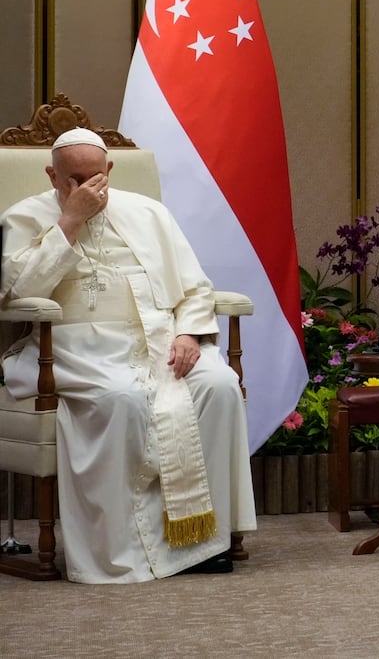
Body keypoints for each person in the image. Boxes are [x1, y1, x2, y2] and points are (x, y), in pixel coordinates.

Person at [0, 128, 256, 584]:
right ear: (51, 175)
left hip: (160, 339)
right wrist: (70, 222)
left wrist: (190, 334)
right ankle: (124, 546)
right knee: (123, 400)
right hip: (74, 346)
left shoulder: (149, 213)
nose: (86, 188)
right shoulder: (24, 216)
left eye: (95, 177)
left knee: (218, 387)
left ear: (110, 171)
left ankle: (205, 540)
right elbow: (20, 293)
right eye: (73, 180)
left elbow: (195, 286)